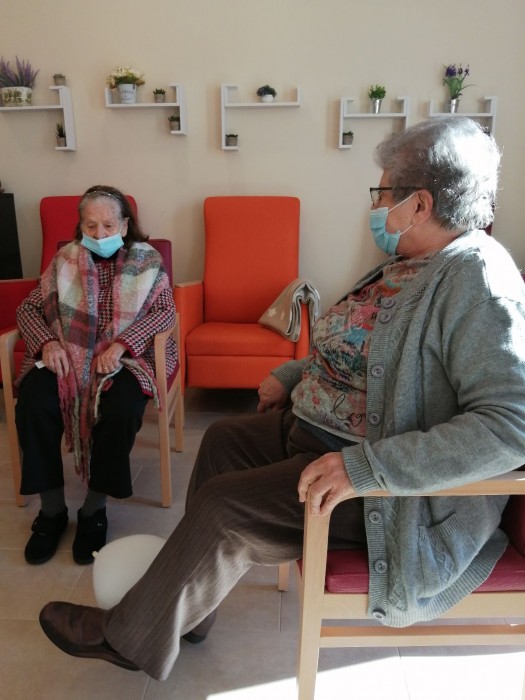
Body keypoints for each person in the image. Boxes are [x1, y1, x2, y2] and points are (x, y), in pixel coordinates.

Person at [39, 117, 525, 680]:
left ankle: (129, 636)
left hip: (384, 494)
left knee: (225, 506)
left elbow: (509, 427)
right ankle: (187, 609)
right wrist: (295, 375)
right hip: (320, 435)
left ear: (419, 205)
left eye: (383, 192)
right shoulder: (414, 263)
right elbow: (363, 349)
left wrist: (365, 468)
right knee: (221, 440)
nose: (375, 205)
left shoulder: (477, 281)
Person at [15, 185, 177, 566]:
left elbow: (165, 313)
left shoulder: (147, 260)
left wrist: (122, 345)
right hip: (67, 356)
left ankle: (93, 509)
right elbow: (27, 309)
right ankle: (52, 511)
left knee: (120, 409)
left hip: (122, 359)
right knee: (33, 402)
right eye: (91, 225)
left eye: (108, 225)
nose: (100, 233)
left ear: (125, 225)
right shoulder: (64, 260)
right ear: (80, 226)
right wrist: (46, 343)